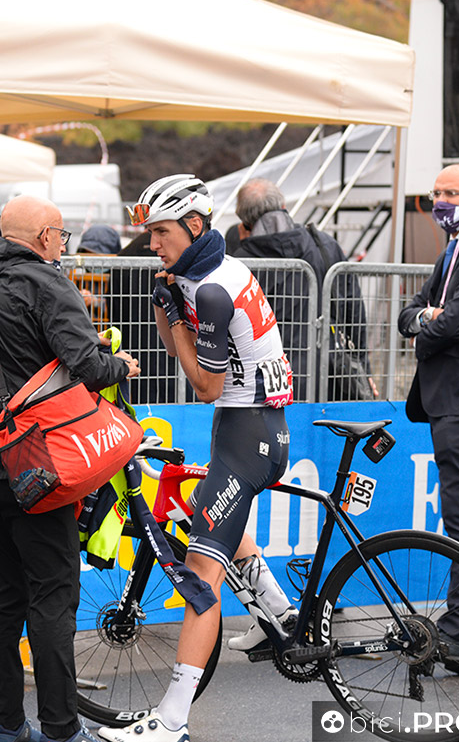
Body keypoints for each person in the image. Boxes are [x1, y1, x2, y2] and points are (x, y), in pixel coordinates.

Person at [98, 174, 291, 742]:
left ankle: (173, 718)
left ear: (194, 226)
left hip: (245, 431)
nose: (152, 244)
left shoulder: (208, 290)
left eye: (160, 232)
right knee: (204, 519)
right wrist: (170, 309)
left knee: (200, 580)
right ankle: (279, 617)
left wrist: (172, 316)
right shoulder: (212, 270)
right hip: (250, 427)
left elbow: (204, 384)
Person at [0, 194, 140, 742]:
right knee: (53, 595)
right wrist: (118, 362)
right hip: (33, 463)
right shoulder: (45, 281)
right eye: (61, 237)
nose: (63, 246)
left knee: (2, 599)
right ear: (45, 237)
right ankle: (60, 728)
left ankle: (7, 727)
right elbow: (87, 367)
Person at [399, 163, 459, 675]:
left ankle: (453, 635)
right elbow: (414, 311)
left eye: (450, 193)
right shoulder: (456, 246)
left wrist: (436, 320)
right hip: (456, 399)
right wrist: (431, 318)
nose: (440, 201)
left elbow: (451, 318)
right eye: (435, 192)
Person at [232, 177, 376, 401]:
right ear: (283, 207)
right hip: (327, 377)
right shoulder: (324, 245)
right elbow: (354, 314)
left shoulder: (239, 264)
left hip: (266, 381)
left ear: (244, 222)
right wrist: (363, 369)